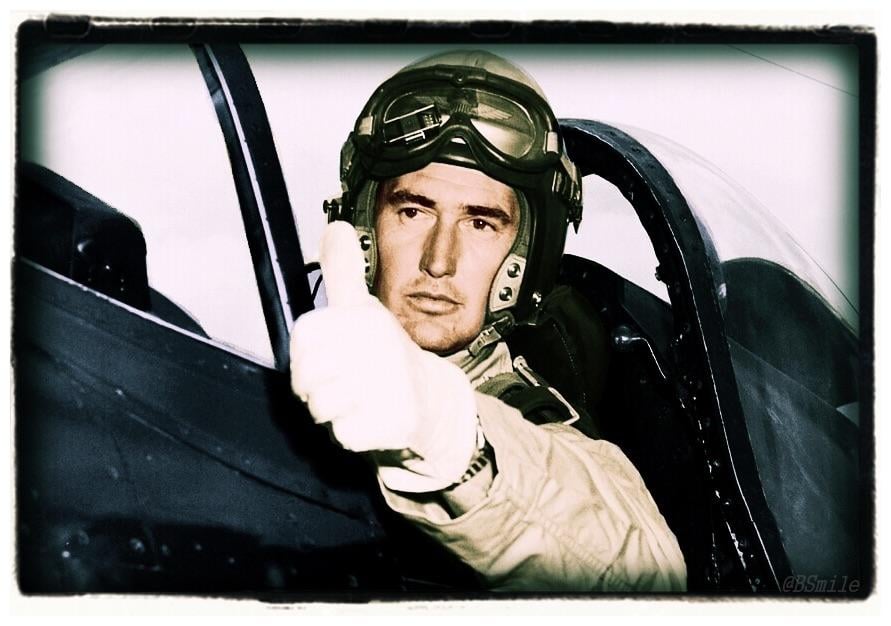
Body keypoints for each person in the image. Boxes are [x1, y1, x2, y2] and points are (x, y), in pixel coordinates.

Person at [290, 50, 686, 592]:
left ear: (523, 260)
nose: (439, 260)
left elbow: (647, 568)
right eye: (413, 210)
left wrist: (449, 438)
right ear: (364, 230)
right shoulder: (287, 344)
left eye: (480, 223)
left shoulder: (523, 415)